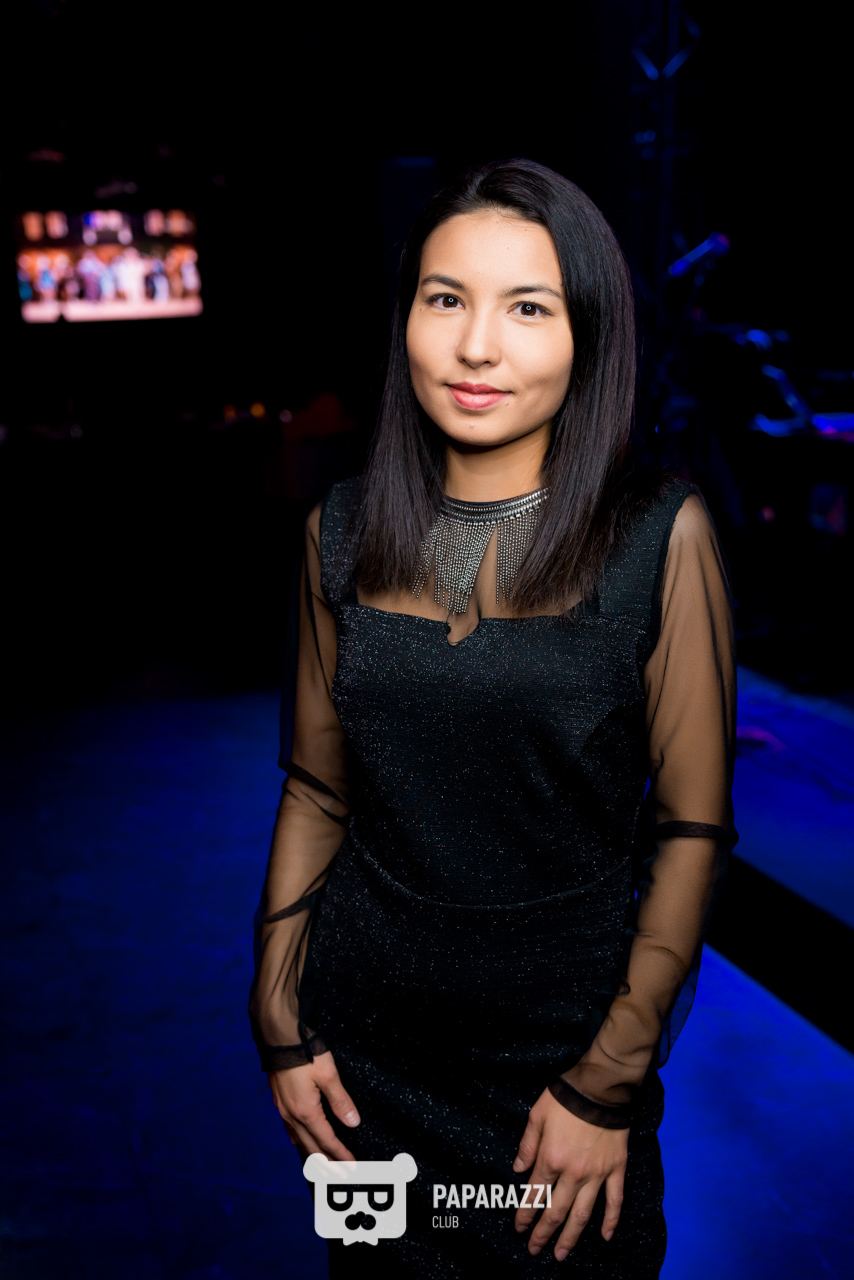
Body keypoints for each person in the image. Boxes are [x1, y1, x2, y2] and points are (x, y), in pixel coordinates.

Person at [249, 158, 736, 1278]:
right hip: (366, 1061)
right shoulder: (338, 531)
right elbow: (317, 788)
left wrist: (605, 1082)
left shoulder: (658, 536)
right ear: (406, 319)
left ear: (588, 334)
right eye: (445, 298)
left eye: (527, 307)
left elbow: (691, 829)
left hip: (558, 1066)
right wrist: (277, 1013)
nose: (476, 346)